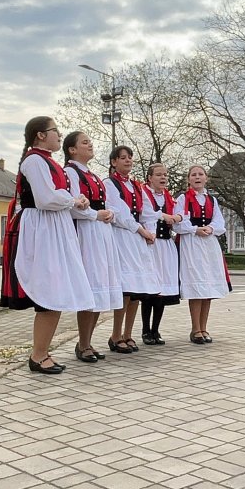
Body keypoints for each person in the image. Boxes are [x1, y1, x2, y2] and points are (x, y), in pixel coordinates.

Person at [0, 117, 94, 374]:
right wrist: (74, 200)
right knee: (50, 290)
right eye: (55, 131)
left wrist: (75, 201)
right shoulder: (33, 161)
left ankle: (42, 351)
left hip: (55, 227)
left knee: (57, 290)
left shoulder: (49, 162)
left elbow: (56, 197)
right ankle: (38, 354)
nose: (59, 135)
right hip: (42, 229)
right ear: (40, 135)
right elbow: (44, 198)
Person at [62, 131, 122, 363]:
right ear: (72, 149)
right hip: (86, 232)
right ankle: (83, 343)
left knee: (99, 286)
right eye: (84, 142)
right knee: (90, 286)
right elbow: (73, 205)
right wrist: (97, 214)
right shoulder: (70, 172)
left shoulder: (93, 175)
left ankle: (86, 342)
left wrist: (109, 214)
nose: (90, 144)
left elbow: (107, 203)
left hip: (101, 232)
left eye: (90, 140)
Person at [104, 146, 160, 354]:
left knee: (137, 290)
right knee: (125, 289)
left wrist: (150, 231)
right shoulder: (109, 184)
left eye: (130, 158)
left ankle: (128, 333)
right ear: (113, 162)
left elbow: (147, 211)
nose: (128, 161)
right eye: (123, 158)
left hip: (137, 240)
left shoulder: (137, 186)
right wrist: (141, 230)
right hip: (121, 236)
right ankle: (115, 334)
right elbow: (119, 213)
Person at [174, 165, 230, 344]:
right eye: (193, 175)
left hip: (209, 243)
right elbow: (177, 223)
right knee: (196, 286)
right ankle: (195, 328)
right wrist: (194, 229)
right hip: (191, 244)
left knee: (208, 287)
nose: (197, 177)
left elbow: (220, 222)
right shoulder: (183, 198)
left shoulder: (212, 200)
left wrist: (211, 228)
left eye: (200, 174)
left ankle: (204, 327)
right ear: (188, 179)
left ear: (206, 178)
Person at [141, 162, 182, 345]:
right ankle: (145, 330)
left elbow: (181, 214)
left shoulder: (169, 197)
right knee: (150, 289)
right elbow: (145, 213)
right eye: (158, 175)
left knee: (162, 290)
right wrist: (163, 216)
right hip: (152, 244)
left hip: (166, 244)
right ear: (150, 177)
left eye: (165, 174)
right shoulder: (144, 193)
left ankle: (156, 329)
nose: (163, 178)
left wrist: (177, 218)